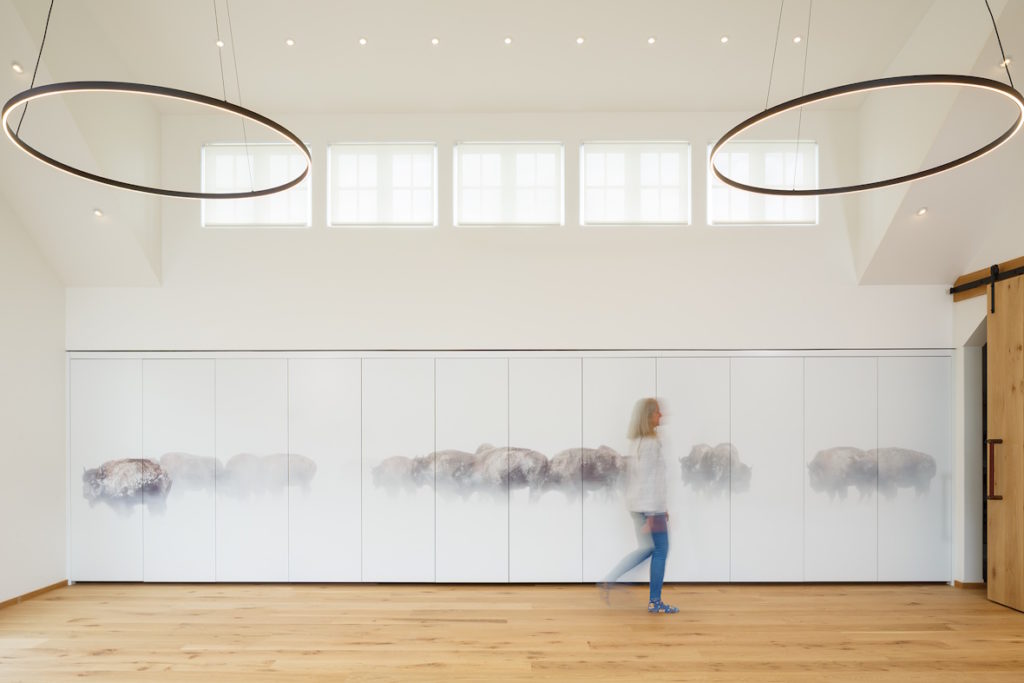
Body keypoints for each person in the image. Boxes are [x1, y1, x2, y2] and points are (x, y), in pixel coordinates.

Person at [598, 397, 678, 614]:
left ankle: (611, 579)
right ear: (648, 416)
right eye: (657, 412)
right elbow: (649, 481)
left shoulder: (638, 442)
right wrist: (654, 514)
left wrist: (660, 508)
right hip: (650, 508)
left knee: (649, 548)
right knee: (661, 549)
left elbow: (640, 480)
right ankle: (655, 602)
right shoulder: (651, 444)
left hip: (640, 506)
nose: (661, 415)